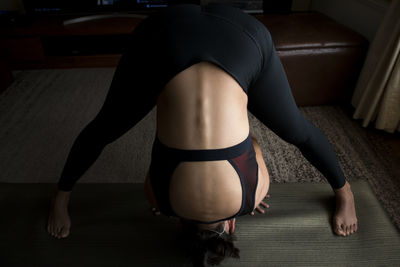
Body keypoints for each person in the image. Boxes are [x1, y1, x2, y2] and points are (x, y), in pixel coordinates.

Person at [47, 3, 358, 265]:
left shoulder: (252, 197)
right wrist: (168, 192)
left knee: (297, 132)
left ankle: (345, 196)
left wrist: (247, 190)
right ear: (177, 223)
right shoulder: (158, 198)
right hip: (162, 34)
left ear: (232, 225)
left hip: (242, 35)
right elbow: (160, 160)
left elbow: (253, 144)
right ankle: (60, 200)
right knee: (104, 129)